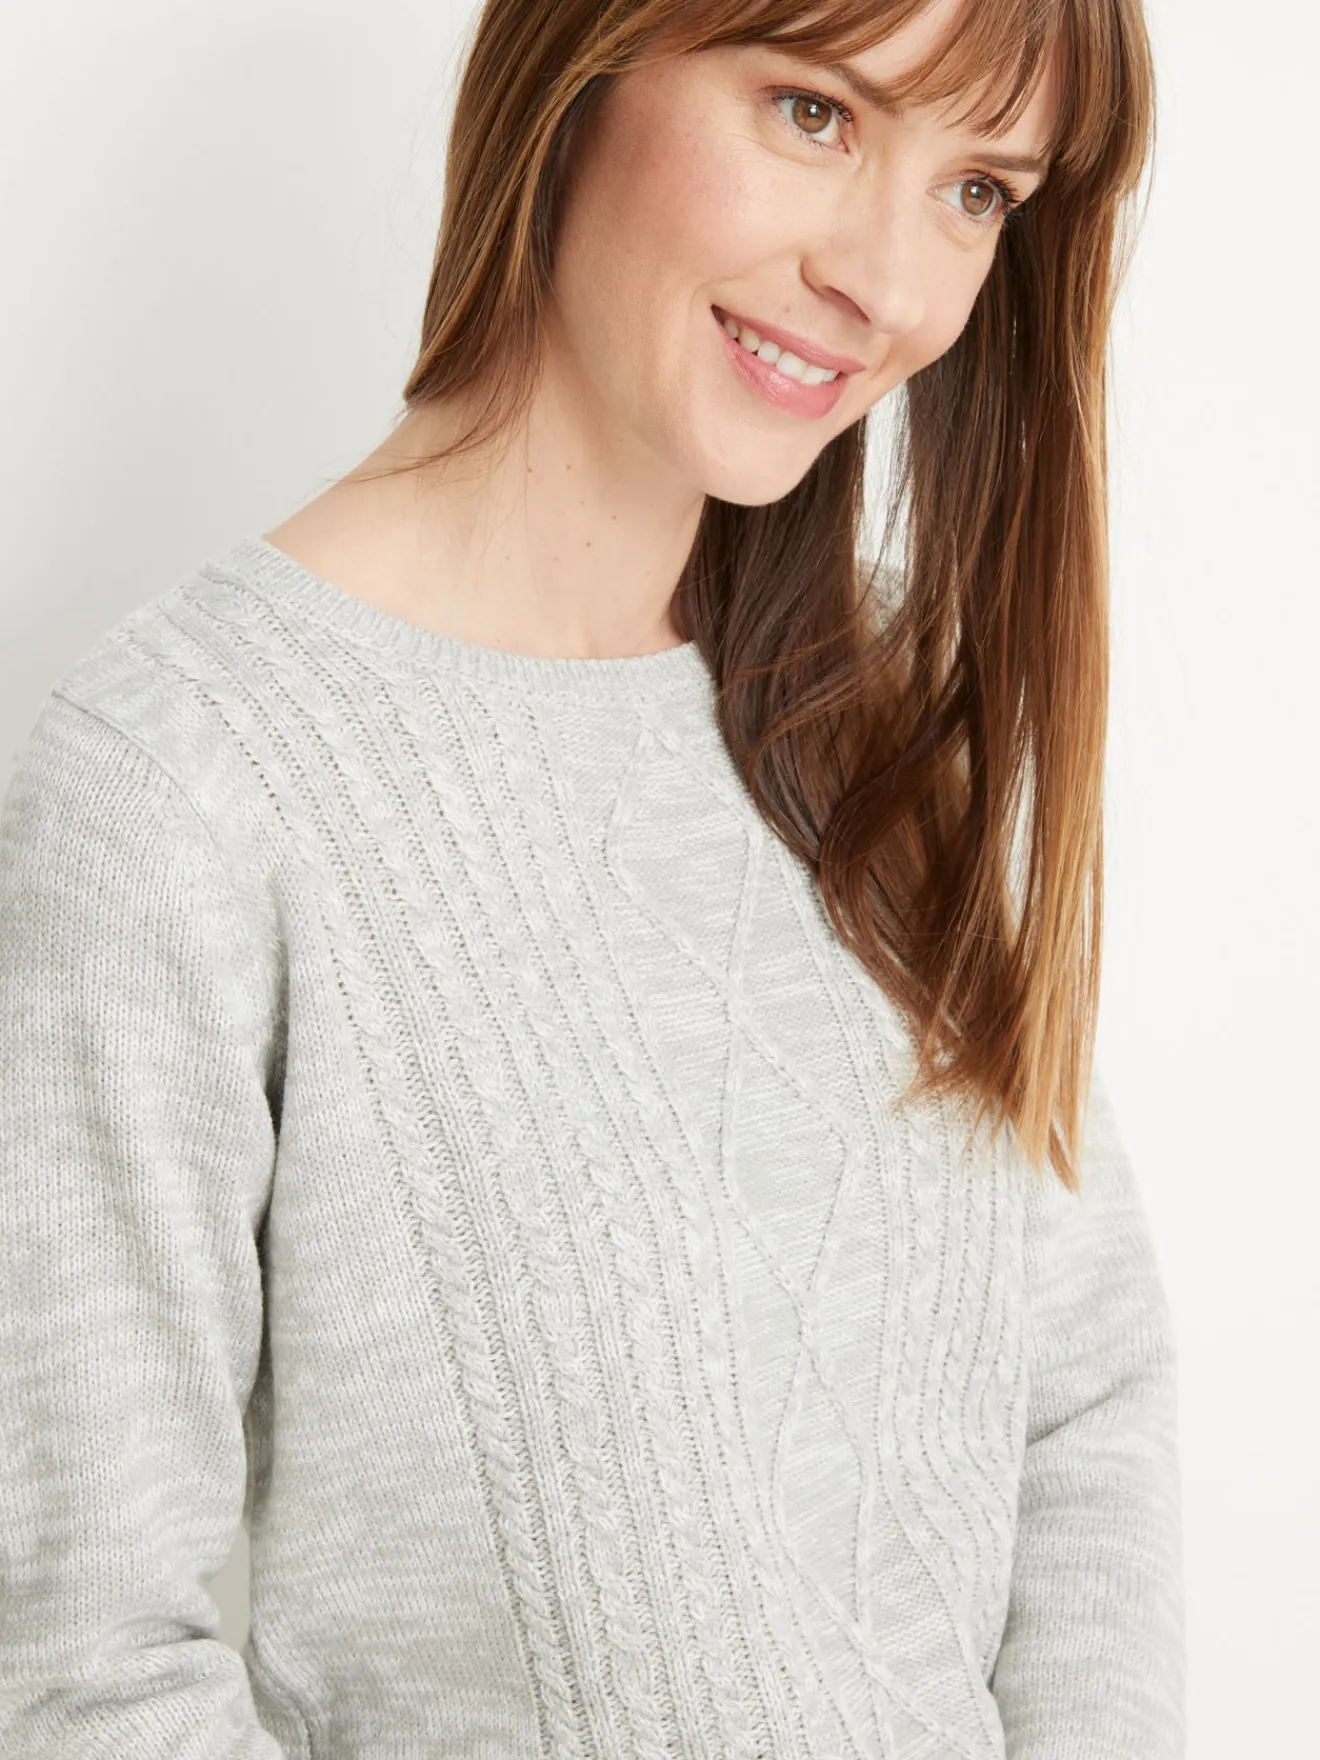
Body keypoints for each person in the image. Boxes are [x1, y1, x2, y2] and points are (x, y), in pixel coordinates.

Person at [0, 0, 1185, 1754]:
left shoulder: (868, 745)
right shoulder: (184, 778)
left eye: (979, 191)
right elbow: (87, 1673)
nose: (888, 286)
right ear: (582, 60)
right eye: (815, 113)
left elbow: (1080, 1397)